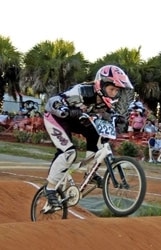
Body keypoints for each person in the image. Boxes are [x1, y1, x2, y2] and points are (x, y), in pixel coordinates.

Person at [43, 65, 133, 208]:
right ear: (101, 85)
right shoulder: (82, 91)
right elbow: (53, 101)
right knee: (69, 153)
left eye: (116, 91)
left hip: (76, 120)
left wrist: (118, 119)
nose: (114, 93)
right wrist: (64, 109)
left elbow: (108, 116)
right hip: (56, 118)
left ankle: (90, 174)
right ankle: (50, 188)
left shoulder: (106, 102)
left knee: (97, 135)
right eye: (112, 89)